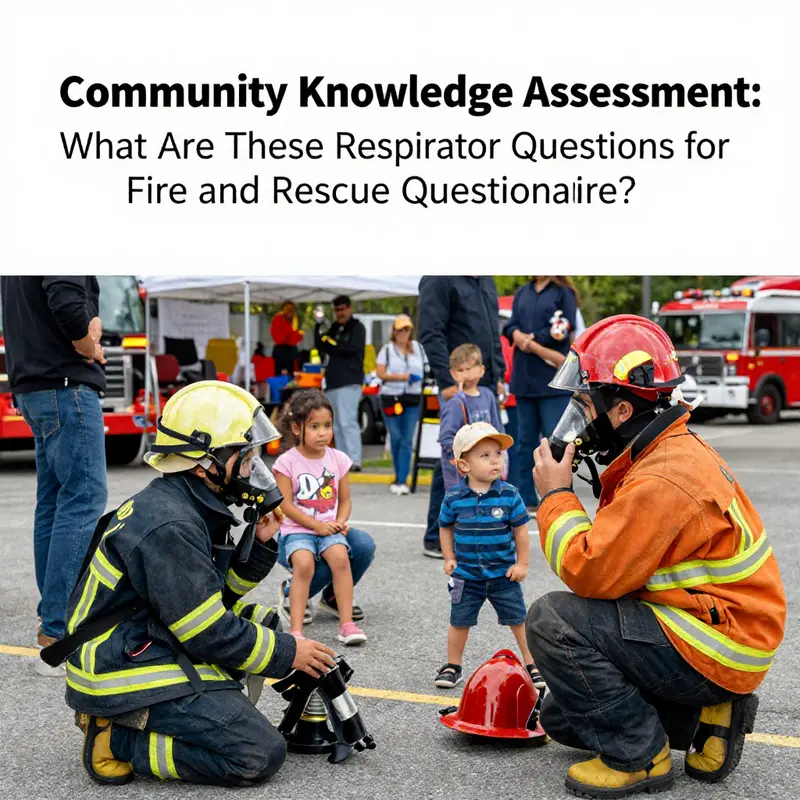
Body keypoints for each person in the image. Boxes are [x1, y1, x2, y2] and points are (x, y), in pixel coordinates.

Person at [526, 315, 786, 798]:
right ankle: (710, 715)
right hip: (714, 626)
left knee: (551, 621)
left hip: (718, 640)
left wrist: (555, 496)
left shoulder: (662, 477)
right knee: (562, 717)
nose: (578, 416)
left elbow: (592, 572)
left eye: (586, 403)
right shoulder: (661, 449)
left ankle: (639, 757)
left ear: (621, 411)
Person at [58, 380, 337, 786]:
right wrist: (287, 653)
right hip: (116, 666)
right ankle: (117, 739)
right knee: (258, 752)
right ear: (205, 462)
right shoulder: (170, 522)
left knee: (266, 628)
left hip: (142, 638)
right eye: (244, 458)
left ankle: (147, 720)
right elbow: (208, 631)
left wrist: (258, 547)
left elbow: (211, 598)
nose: (251, 470)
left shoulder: (190, 502)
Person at [0, 276, 108, 675]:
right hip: (65, 383)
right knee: (83, 498)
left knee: (54, 503)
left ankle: (51, 626)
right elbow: (65, 300)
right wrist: (89, 343)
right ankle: (58, 633)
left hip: (34, 384)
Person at [434, 423, 544, 692]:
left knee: (518, 619)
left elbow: (521, 532)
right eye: (485, 456)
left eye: (498, 453)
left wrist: (522, 564)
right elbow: (445, 526)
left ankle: (533, 664)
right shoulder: (454, 498)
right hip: (466, 576)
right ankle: (453, 665)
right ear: (463, 465)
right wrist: (449, 557)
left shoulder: (509, 495)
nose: (495, 460)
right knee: (459, 621)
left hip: (503, 574)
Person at [272, 390, 368, 645]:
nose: (323, 432)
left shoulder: (338, 459)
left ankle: (346, 624)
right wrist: (317, 525)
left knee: (340, 559)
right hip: (298, 530)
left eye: (327, 425)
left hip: (328, 528)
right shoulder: (287, 462)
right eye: (314, 426)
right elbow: (284, 505)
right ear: (296, 428)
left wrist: (341, 521)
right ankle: (295, 632)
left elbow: (344, 500)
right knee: (304, 564)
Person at [418, 276, 505, 558]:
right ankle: (437, 535)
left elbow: (494, 332)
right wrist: (446, 380)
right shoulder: (440, 277)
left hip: (486, 382)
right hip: (458, 385)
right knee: (454, 455)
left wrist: (499, 373)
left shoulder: (486, 280)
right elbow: (431, 332)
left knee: (484, 456)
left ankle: (479, 532)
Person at [504, 275, 578, 511]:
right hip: (524, 380)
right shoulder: (522, 292)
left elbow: (565, 328)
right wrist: (516, 335)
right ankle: (526, 500)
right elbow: (511, 324)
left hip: (553, 381)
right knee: (525, 444)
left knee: (556, 442)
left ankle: (559, 497)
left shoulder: (563, 293)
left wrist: (534, 340)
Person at [438, 344, 504, 492]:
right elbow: (446, 437)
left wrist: (501, 456)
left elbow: (498, 429)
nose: (465, 374)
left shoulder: (488, 396)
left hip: (488, 471)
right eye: (460, 370)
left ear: (481, 370)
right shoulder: (456, 403)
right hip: (463, 477)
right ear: (453, 374)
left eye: (469, 369)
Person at [375, 314, 427, 495]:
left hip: (412, 398)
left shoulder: (419, 349)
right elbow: (380, 373)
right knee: (396, 437)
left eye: (406, 329)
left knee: (407, 439)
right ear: (394, 331)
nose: (403, 333)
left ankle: (402, 479)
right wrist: (402, 377)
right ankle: (398, 474)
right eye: (400, 330)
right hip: (391, 397)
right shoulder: (387, 350)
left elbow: (426, 368)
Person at [315, 295, 366, 471]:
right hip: (332, 382)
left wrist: (333, 345)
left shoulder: (357, 327)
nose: (340, 313)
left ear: (349, 308)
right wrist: (318, 327)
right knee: (336, 424)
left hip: (349, 381)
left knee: (347, 421)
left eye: (343, 308)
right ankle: (343, 460)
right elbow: (321, 345)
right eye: (337, 310)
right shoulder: (334, 328)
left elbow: (351, 349)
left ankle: (355, 459)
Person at [270, 301, 304, 376]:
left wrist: (298, 335)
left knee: (291, 374)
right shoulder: (278, 319)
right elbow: (279, 336)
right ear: (283, 309)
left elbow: (295, 335)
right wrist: (292, 334)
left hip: (291, 350)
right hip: (281, 350)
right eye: (288, 308)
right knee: (279, 374)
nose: (290, 311)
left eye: (292, 309)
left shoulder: (294, 320)